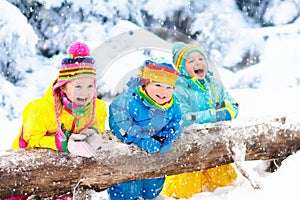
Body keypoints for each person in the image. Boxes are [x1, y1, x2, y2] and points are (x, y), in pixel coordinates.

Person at [10, 41, 107, 199]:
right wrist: (63, 143)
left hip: (64, 174)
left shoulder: (98, 108)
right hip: (25, 170)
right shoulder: (40, 109)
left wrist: (93, 134)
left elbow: (98, 126)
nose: (86, 93)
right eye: (78, 86)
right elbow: (31, 139)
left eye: (90, 86)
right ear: (63, 87)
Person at [161, 42, 239, 199]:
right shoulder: (177, 88)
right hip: (187, 147)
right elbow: (185, 117)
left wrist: (223, 113)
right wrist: (215, 113)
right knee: (186, 191)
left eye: (200, 58)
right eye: (190, 61)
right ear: (181, 67)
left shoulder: (214, 84)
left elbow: (234, 107)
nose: (197, 63)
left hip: (215, 143)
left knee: (224, 188)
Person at [107, 57, 182, 200]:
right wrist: (140, 139)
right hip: (128, 154)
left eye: (169, 87)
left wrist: (168, 135)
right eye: (158, 85)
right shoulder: (129, 101)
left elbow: (176, 120)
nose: (163, 91)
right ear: (145, 84)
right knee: (127, 187)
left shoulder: (172, 104)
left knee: (153, 184)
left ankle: (150, 195)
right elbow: (119, 122)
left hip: (156, 154)